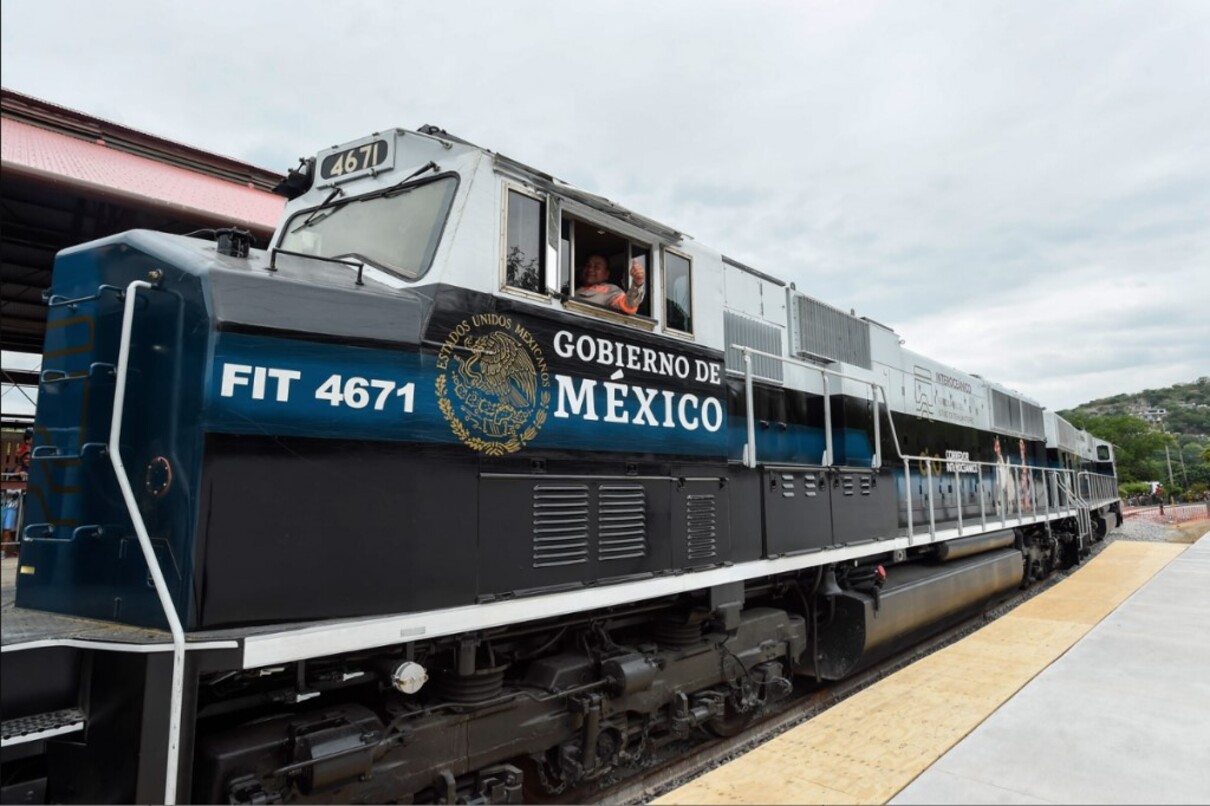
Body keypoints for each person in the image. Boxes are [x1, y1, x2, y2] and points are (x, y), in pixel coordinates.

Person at [575, 253, 645, 314]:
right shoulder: (572, 288)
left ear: (606, 274)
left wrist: (637, 284)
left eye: (597, 267)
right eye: (588, 265)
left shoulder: (610, 290)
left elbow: (628, 304)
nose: (590, 269)